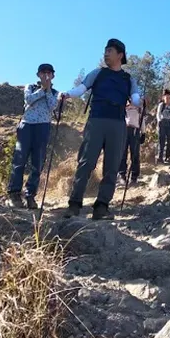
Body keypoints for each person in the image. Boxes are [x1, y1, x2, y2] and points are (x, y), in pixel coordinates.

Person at [61, 39, 141, 220]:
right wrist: (67, 94)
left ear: (120, 55)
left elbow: (135, 98)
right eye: (105, 51)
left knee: (112, 166)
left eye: (110, 51)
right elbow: (80, 89)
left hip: (118, 124)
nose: (105, 54)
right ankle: (74, 204)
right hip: (96, 120)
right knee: (86, 162)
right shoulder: (97, 73)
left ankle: (102, 207)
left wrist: (140, 102)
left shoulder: (128, 79)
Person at [7, 63, 59, 209]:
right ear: (38, 75)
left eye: (49, 73)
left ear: (53, 75)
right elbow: (29, 100)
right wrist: (43, 89)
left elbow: (53, 106)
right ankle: (14, 194)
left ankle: (30, 195)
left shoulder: (55, 92)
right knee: (20, 159)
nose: (46, 75)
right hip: (27, 125)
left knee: (38, 162)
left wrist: (47, 90)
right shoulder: (30, 87)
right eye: (43, 73)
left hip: (43, 126)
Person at [118, 100, 146, 186]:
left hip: (135, 131)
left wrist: (143, 133)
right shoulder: (123, 107)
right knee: (123, 154)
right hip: (124, 131)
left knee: (135, 155)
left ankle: (134, 177)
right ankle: (122, 175)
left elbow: (142, 120)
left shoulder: (139, 108)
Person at [157, 89, 170, 164]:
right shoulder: (161, 105)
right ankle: (160, 158)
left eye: (169, 98)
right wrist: (159, 121)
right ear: (163, 98)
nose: (168, 99)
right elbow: (158, 113)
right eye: (166, 97)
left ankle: (168, 157)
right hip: (162, 123)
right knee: (161, 141)